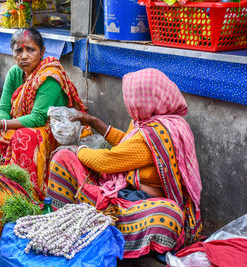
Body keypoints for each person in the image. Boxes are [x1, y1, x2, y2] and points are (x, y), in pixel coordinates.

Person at [46, 68, 203, 258]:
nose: (127, 104)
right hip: (125, 192)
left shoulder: (153, 134)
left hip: (139, 202)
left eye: (131, 99)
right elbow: (127, 145)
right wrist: (94, 122)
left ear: (146, 100)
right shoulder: (150, 122)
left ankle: (93, 225)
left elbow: (106, 162)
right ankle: (77, 219)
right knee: (63, 159)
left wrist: (76, 149)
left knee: (168, 216)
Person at [0, 28, 86, 201]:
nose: (24, 55)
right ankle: (0, 183)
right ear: (12, 53)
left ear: (42, 51)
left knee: (23, 137)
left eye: (30, 50)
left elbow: (39, 118)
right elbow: (3, 108)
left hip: (52, 131)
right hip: (25, 123)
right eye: (19, 51)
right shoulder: (15, 73)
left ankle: (28, 193)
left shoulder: (49, 75)